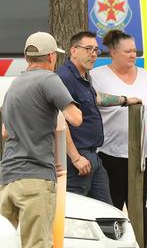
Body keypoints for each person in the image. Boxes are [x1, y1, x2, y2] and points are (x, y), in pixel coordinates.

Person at [0, 32, 82, 248]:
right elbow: (75, 118)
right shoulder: (49, 79)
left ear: (26, 57)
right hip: (36, 179)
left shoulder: (14, 85)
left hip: (7, 179)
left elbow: (7, 131)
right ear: (51, 57)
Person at [91, 29, 147, 248]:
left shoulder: (145, 77)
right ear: (113, 52)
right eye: (127, 51)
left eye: (134, 51)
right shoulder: (98, 76)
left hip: (140, 156)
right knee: (113, 206)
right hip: (109, 153)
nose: (132, 55)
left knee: (138, 206)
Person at [57, 31, 141, 204]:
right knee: (75, 214)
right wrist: (75, 158)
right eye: (88, 49)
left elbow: (96, 98)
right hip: (77, 160)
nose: (93, 54)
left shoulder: (81, 77)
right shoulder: (65, 77)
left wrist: (124, 100)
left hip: (93, 156)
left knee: (106, 212)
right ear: (73, 50)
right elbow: (59, 122)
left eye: (96, 50)